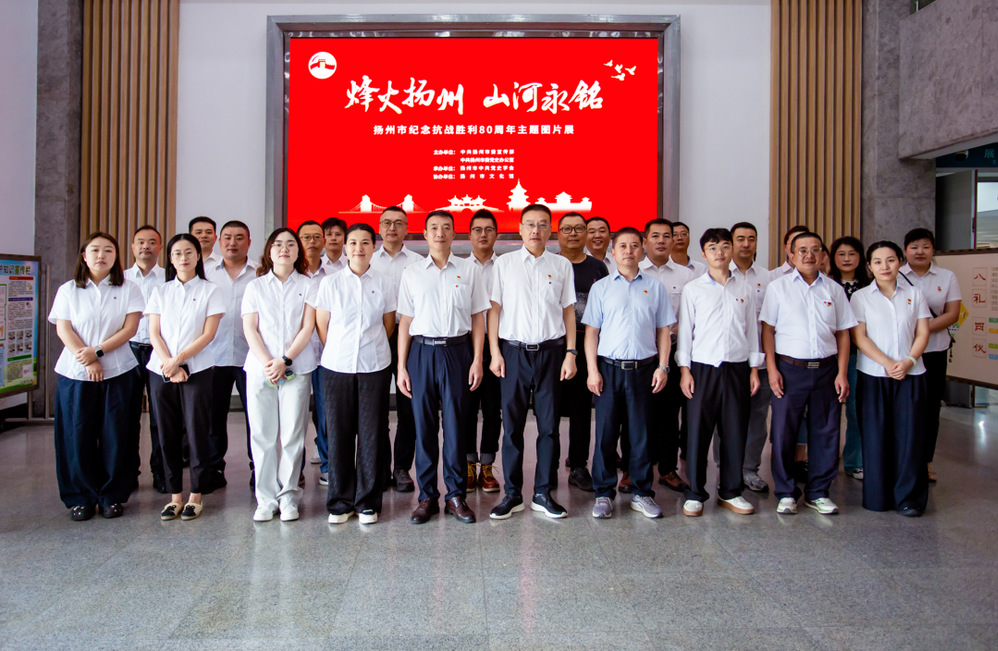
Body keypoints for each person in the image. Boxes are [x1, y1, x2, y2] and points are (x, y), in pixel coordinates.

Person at [397, 210, 489, 524]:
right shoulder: (411, 272)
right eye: (434, 228)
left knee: (455, 427)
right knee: (423, 428)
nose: (440, 233)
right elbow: (405, 321)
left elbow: (478, 318)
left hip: (458, 352)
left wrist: (477, 359)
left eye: (446, 227)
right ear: (425, 234)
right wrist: (402, 367)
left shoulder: (469, 270)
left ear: (454, 233)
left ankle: (455, 495)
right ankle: (426, 497)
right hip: (421, 353)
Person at [489, 203, 577, 519]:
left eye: (542, 224)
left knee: (549, 427)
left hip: (552, 353)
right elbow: (494, 310)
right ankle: (512, 494)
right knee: (512, 427)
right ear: (520, 228)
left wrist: (571, 353)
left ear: (550, 229)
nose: (536, 230)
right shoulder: (504, 264)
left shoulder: (561, 265)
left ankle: (542, 493)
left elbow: (568, 311)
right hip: (513, 353)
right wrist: (495, 352)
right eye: (530, 224)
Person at [760, 231, 857, 516]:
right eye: (802, 250)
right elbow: (768, 330)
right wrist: (773, 370)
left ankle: (818, 492)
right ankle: (786, 492)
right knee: (783, 432)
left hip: (826, 370)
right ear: (791, 255)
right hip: (789, 369)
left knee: (826, 431)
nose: (809, 255)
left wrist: (842, 373)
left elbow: (843, 333)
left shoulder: (834, 290)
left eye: (815, 250)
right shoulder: (778, 288)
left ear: (824, 256)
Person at [50, 232, 144, 520]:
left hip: (119, 370)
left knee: (117, 433)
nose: (101, 255)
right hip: (75, 372)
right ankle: (80, 497)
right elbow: (64, 328)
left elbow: (130, 329)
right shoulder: (68, 290)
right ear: (84, 255)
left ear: (116, 256)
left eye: (108, 250)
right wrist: (86, 357)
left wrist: (98, 352)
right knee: (76, 434)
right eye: (95, 250)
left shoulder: (129, 288)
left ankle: (111, 496)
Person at [583, 227, 674, 519]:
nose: (629, 251)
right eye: (622, 246)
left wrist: (663, 366)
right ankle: (603, 494)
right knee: (606, 435)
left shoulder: (655, 287)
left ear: (642, 250)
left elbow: (664, 330)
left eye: (634, 245)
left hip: (644, 370)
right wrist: (592, 370)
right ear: (613, 252)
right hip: (608, 370)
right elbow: (592, 332)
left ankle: (642, 492)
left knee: (641, 435)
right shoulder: (601, 288)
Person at [677, 228, 762, 517]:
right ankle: (695, 492)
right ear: (704, 254)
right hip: (702, 369)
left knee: (735, 431)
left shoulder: (745, 288)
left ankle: (731, 491)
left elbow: (752, 333)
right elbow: (686, 333)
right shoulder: (694, 289)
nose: (720, 252)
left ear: (732, 251)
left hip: (737, 368)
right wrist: (685, 371)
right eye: (713, 248)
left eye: (725, 246)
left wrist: (754, 369)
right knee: (697, 433)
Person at [316, 223, 396, 525]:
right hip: (336, 366)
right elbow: (322, 324)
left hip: (374, 365)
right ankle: (339, 501)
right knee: (338, 433)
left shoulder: (384, 282)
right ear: (345, 247)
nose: (358, 248)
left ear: (374, 247)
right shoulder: (330, 283)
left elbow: (388, 323)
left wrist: (367, 346)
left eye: (365, 242)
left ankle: (367, 502)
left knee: (372, 434)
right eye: (352, 243)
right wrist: (341, 348)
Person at [146, 233, 225, 521]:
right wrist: (169, 364)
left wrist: (179, 360)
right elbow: (154, 333)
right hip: (161, 370)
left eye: (189, 252)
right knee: (166, 432)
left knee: (197, 430)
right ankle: (174, 496)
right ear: (170, 258)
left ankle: (196, 496)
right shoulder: (160, 291)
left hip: (198, 369)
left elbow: (208, 334)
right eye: (177, 253)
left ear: (198, 256)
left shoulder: (210, 290)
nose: (183, 258)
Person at [242, 228, 317, 522]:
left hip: (296, 368)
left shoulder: (309, 285)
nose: (284, 249)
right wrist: (269, 364)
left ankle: (288, 498)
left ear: (298, 251)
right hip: (260, 370)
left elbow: (307, 328)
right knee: (262, 436)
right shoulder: (255, 287)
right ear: (269, 251)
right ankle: (265, 499)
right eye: (277, 244)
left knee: (292, 437)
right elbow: (250, 328)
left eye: (290, 244)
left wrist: (285, 361)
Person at [851, 241, 930, 516]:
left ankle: (909, 499)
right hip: (874, 376)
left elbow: (923, 333)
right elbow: (859, 337)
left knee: (910, 438)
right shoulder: (860, 297)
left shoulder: (915, 294)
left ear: (900, 262)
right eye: (877, 261)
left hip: (912, 375)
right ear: (869, 266)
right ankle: (878, 497)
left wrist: (908, 361)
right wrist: (887, 363)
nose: (884, 266)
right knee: (876, 437)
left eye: (890, 260)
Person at [900, 228, 961, 483]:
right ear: (905, 250)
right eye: (914, 247)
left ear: (933, 249)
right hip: (902, 352)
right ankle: (902, 460)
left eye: (925, 246)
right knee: (904, 407)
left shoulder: (946, 277)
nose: (920, 252)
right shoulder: (896, 275)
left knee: (930, 408)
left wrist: (921, 329)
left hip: (934, 351)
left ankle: (925, 462)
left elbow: (952, 314)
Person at [638, 218, 693, 493]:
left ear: (673, 241)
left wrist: (671, 330)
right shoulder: (633, 270)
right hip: (640, 353)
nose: (661, 241)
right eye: (655, 236)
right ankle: (634, 469)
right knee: (635, 414)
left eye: (666, 236)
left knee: (670, 414)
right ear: (645, 241)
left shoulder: (686, 276)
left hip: (672, 352)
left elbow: (692, 316)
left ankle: (668, 470)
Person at [370, 206, 423, 492]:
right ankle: (379, 467)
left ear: (407, 229)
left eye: (398, 223)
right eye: (387, 222)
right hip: (375, 336)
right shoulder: (367, 259)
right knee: (376, 407)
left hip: (409, 338)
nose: (392, 228)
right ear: (379, 227)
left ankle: (402, 467)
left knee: (408, 407)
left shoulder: (418, 263)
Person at [556, 212, 608, 492]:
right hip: (553, 349)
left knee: (581, 411)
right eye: (567, 229)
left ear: (586, 233)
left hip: (587, 347)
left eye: (579, 228)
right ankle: (548, 467)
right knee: (549, 411)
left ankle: (578, 466)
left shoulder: (597, 267)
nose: (573, 233)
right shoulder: (549, 264)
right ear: (558, 234)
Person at [204, 220, 257, 492]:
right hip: (212, 356)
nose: (232, 243)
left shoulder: (260, 273)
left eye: (239, 237)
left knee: (256, 417)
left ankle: (258, 468)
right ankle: (214, 467)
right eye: (227, 237)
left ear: (249, 242)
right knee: (213, 417)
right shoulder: (205, 274)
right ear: (219, 241)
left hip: (252, 357)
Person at [728, 222, 771, 493]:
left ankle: (749, 469)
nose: (746, 244)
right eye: (740, 239)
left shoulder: (768, 278)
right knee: (726, 417)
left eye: (751, 239)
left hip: (760, 360)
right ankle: (726, 467)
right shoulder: (719, 274)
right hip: (728, 359)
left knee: (757, 417)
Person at [124, 225, 167, 493]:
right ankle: (128, 473)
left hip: (159, 351)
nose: (146, 246)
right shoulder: (121, 278)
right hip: (127, 349)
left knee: (160, 416)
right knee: (126, 414)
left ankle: (161, 472)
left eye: (152, 242)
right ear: (132, 247)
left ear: (160, 247)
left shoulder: (169, 278)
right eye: (140, 242)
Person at [463, 209, 502, 493]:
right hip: (465, 345)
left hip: (499, 345)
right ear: (469, 235)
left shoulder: (506, 267)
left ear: (496, 234)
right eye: (477, 229)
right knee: (465, 408)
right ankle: (468, 464)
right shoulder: (460, 268)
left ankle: (487, 466)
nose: (483, 234)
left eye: (489, 229)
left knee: (492, 408)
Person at [829, 236, 871, 481]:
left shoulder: (870, 287)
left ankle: (855, 460)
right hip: (828, 355)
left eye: (852, 254)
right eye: (841, 254)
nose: (846, 259)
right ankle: (826, 458)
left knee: (856, 409)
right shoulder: (826, 284)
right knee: (827, 411)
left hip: (860, 356)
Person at [297, 219, 331, 483]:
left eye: (316, 236)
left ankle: (329, 466)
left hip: (326, 356)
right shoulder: (290, 275)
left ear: (324, 240)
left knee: (327, 413)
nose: (311, 241)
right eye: (305, 237)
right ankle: (293, 471)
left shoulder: (336, 273)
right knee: (294, 416)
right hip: (295, 357)